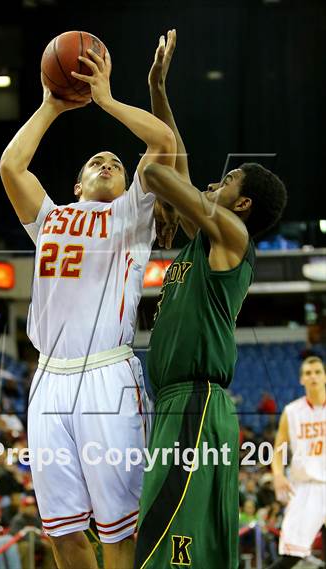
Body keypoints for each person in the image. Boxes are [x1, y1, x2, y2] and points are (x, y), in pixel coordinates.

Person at [0, 45, 176, 569]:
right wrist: (52, 105)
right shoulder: (50, 219)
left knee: (120, 531)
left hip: (107, 376)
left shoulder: (132, 214)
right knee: (63, 533)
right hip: (49, 380)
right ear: (76, 186)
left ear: (129, 187)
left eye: (117, 163)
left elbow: (162, 140)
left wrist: (105, 99)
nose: (108, 162)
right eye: (96, 161)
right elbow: (12, 164)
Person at [134, 30, 287, 569]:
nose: (214, 185)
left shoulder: (231, 237)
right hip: (181, 404)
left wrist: (175, 191)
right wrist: (157, 87)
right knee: (195, 549)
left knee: (164, 547)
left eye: (224, 182)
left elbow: (157, 169)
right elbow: (172, 158)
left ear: (241, 203)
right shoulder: (206, 238)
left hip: (197, 402)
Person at [266, 356, 326, 569]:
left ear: (324, 376)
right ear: (301, 380)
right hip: (305, 487)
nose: (313, 377)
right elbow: (278, 449)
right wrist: (279, 475)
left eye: (318, 372)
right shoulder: (291, 411)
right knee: (292, 555)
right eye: (308, 373)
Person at [9, 495, 56, 569]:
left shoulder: (35, 519)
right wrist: (40, 542)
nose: (31, 508)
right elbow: (18, 537)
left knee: (49, 546)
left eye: (32, 506)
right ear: (23, 508)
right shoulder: (17, 520)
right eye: (28, 506)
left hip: (35, 543)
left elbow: (40, 533)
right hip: (19, 545)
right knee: (26, 546)